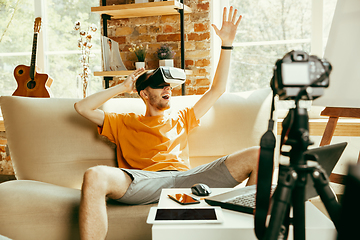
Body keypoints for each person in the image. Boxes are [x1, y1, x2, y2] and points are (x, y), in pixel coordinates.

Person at [74, 6, 259, 240]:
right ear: (144, 94)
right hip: (144, 181)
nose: (167, 89)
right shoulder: (122, 122)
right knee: (94, 175)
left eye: (169, 86)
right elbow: (82, 108)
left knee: (259, 154)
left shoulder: (182, 117)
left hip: (187, 178)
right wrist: (123, 86)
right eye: (161, 85)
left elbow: (217, 89)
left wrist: (227, 43)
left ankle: (249, 232)